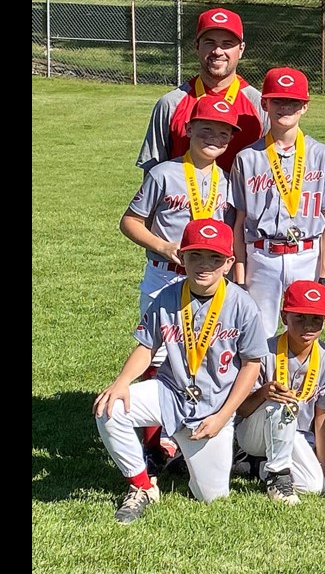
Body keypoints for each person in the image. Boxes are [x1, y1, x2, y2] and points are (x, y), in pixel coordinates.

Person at [93, 218, 267, 523]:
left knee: (211, 497)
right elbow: (147, 347)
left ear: (228, 264)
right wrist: (122, 381)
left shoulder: (242, 305)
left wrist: (222, 417)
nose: (204, 265)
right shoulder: (169, 297)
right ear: (181, 257)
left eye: (214, 258)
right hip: (171, 394)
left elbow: (252, 365)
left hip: (214, 407)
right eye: (195, 255)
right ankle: (142, 486)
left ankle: (190, 455)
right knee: (109, 409)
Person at [119, 96, 239, 475]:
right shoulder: (164, 173)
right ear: (187, 129)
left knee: (200, 356)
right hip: (165, 274)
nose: (213, 137)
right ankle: (154, 446)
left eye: (223, 132)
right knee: (156, 354)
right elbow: (130, 221)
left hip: (207, 282)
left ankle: (191, 438)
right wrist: (163, 245)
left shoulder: (227, 180)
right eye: (205, 128)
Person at [230, 67, 325, 338]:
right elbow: (239, 220)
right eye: (278, 100)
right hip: (262, 255)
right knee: (257, 334)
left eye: (293, 102)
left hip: (306, 254)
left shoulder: (321, 155)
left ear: (305, 106)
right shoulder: (247, 157)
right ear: (264, 103)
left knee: (303, 332)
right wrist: (240, 272)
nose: (285, 107)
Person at [233, 280, 325, 505]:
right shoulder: (263, 351)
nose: (308, 327)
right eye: (299, 318)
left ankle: (258, 466)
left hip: (297, 435)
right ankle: (275, 478)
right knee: (280, 402)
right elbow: (241, 409)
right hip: (254, 432)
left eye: (316, 320)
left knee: (313, 486)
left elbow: (323, 415)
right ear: (284, 317)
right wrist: (263, 393)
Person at [136, 7, 269, 174]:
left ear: (241, 49)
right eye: (210, 42)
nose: (218, 51)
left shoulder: (259, 106)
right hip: (184, 199)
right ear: (196, 46)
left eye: (227, 44)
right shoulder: (170, 104)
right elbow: (152, 173)